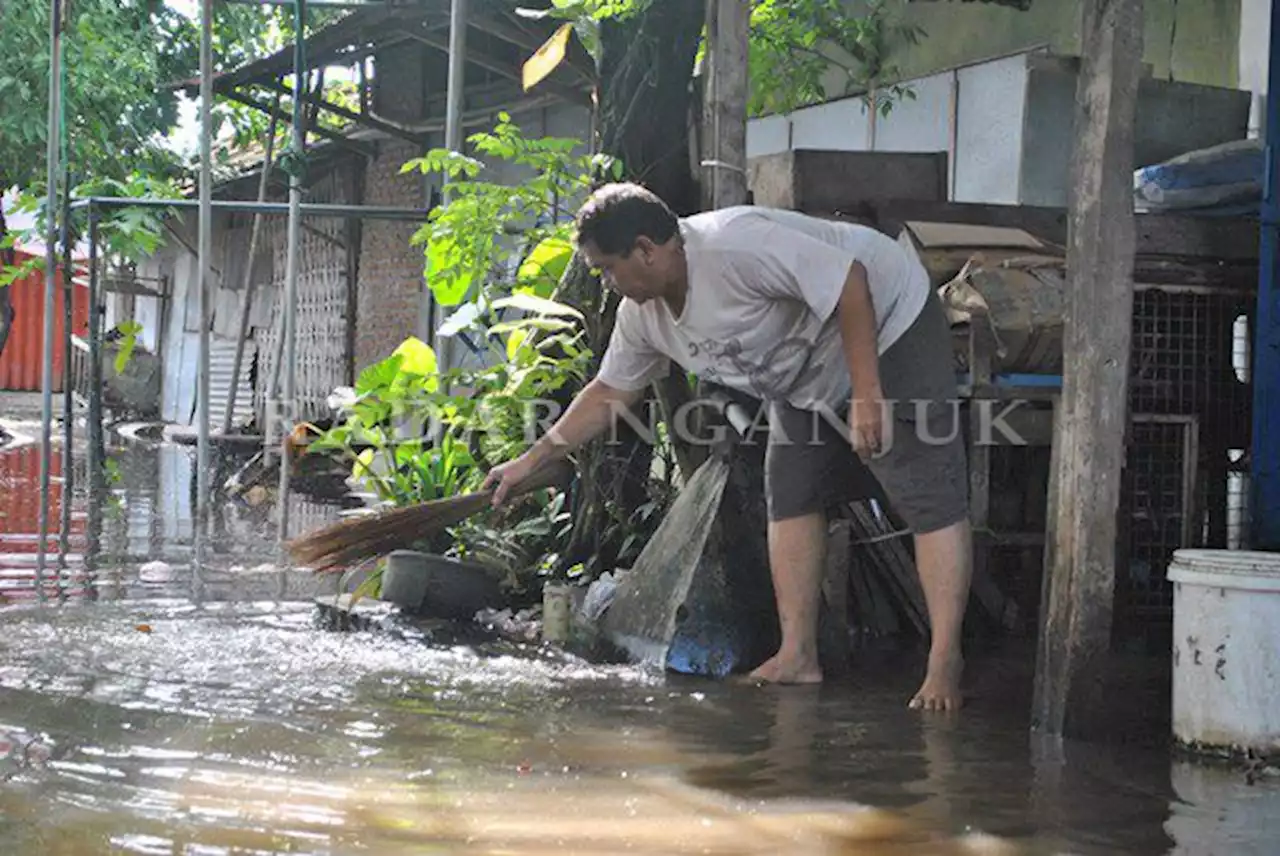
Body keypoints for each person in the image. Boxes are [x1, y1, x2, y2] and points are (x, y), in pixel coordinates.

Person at [482, 182, 972, 712]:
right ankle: (797, 655)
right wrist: (531, 460)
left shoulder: (734, 247)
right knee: (791, 492)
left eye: (606, 269)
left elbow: (851, 282)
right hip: (801, 373)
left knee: (926, 492)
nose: (606, 283)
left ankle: (945, 660)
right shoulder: (642, 316)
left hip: (886, 323)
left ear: (646, 249)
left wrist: (868, 392)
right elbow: (609, 391)